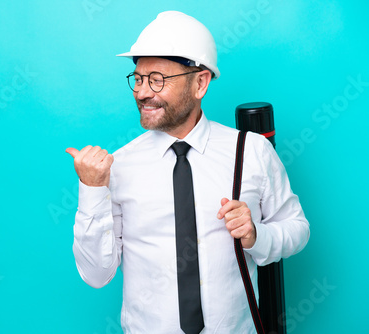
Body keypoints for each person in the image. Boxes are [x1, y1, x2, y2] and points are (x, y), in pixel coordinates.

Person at [66, 11, 309, 334]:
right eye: (138, 79)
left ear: (200, 83)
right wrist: (92, 190)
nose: (141, 92)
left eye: (157, 79)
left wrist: (255, 236)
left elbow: (297, 230)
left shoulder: (250, 151)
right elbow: (96, 274)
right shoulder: (119, 166)